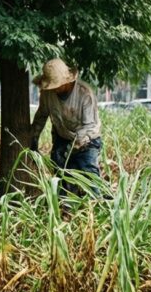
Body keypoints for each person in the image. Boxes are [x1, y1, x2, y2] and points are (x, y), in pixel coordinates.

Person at [30, 58, 103, 193]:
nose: (55, 89)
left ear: (66, 81)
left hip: (87, 140)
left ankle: (98, 205)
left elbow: (89, 127)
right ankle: (66, 209)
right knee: (61, 175)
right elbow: (41, 116)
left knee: (89, 175)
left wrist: (71, 149)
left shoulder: (84, 93)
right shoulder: (47, 94)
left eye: (57, 85)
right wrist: (33, 139)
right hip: (62, 137)